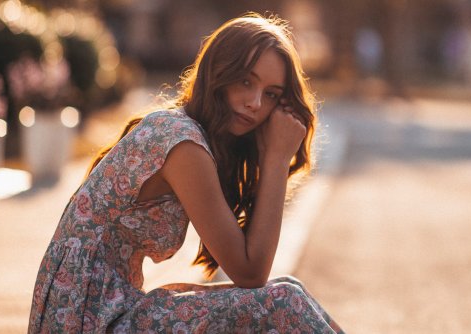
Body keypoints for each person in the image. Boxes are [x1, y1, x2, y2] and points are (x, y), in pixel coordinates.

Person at [28, 12, 344, 333]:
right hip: (86, 319)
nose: (255, 103)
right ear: (218, 72)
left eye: (272, 94)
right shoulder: (180, 141)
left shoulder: (186, 133)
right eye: (245, 81)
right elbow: (250, 272)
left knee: (290, 289)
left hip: (106, 309)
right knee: (283, 301)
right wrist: (276, 158)